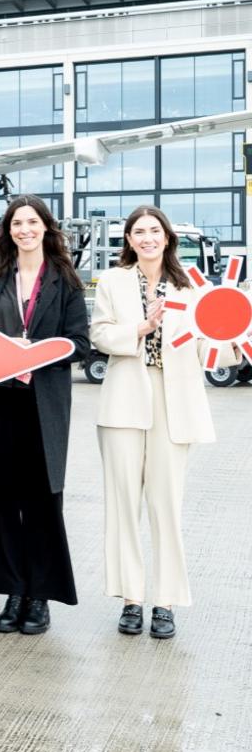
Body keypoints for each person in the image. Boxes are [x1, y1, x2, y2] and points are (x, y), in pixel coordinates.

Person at [91, 205, 236, 640]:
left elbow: (211, 349)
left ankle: (165, 602)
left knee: (166, 506)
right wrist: (140, 326)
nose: (148, 238)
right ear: (129, 240)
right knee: (122, 505)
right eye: (139, 232)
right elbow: (99, 334)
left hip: (175, 402)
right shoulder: (113, 281)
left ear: (167, 237)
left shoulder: (191, 286)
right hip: (122, 401)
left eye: (155, 230)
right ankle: (131, 599)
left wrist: (234, 336)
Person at [0, 195, 89, 636]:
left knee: (41, 502)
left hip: (44, 405)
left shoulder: (65, 280)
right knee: (4, 500)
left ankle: (40, 596)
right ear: (8, 230)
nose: (25, 230)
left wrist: (34, 356)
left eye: (32, 222)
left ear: (45, 228)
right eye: (17, 223)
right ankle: (13, 590)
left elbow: (80, 342)